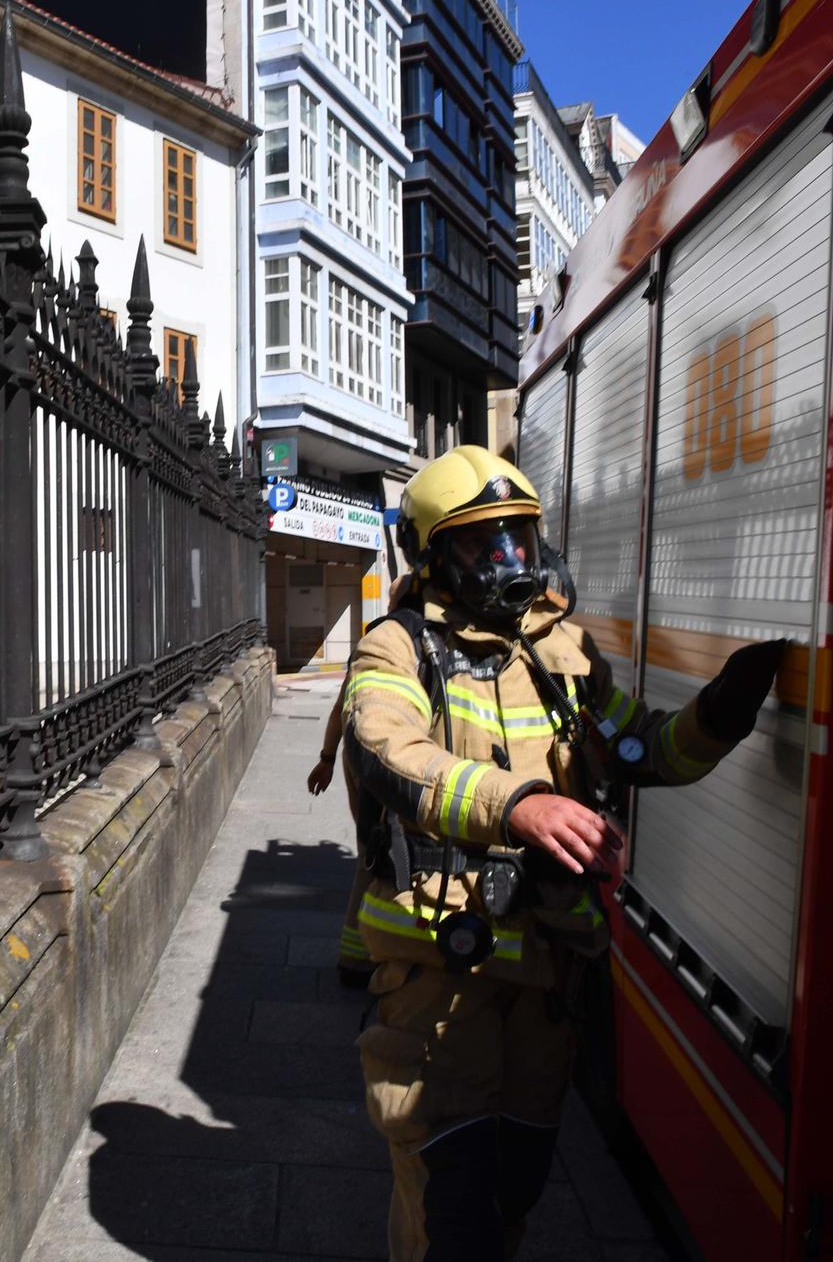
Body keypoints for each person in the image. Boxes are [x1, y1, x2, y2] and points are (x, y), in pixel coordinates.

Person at [342, 445, 785, 1261]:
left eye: (520, 537)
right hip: (445, 979)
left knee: (515, 1190)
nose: (511, 560)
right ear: (434, 555)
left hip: (547, 978)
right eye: (484, 543)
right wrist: (518, 803)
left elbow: (642, 752)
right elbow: (388, 751)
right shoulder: (397, 648)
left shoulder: (563, 654)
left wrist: (719, 713)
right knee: (453, 1213)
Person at [309, 574, 413, 988]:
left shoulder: (376, 641)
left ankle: (362, 952)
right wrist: (326, 760)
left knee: (372, 851)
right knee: (377, 854)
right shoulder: (401, 645)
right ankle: (361, 957)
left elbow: (339, 707)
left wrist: (328, 760)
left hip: (358, 758)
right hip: (379, 763)